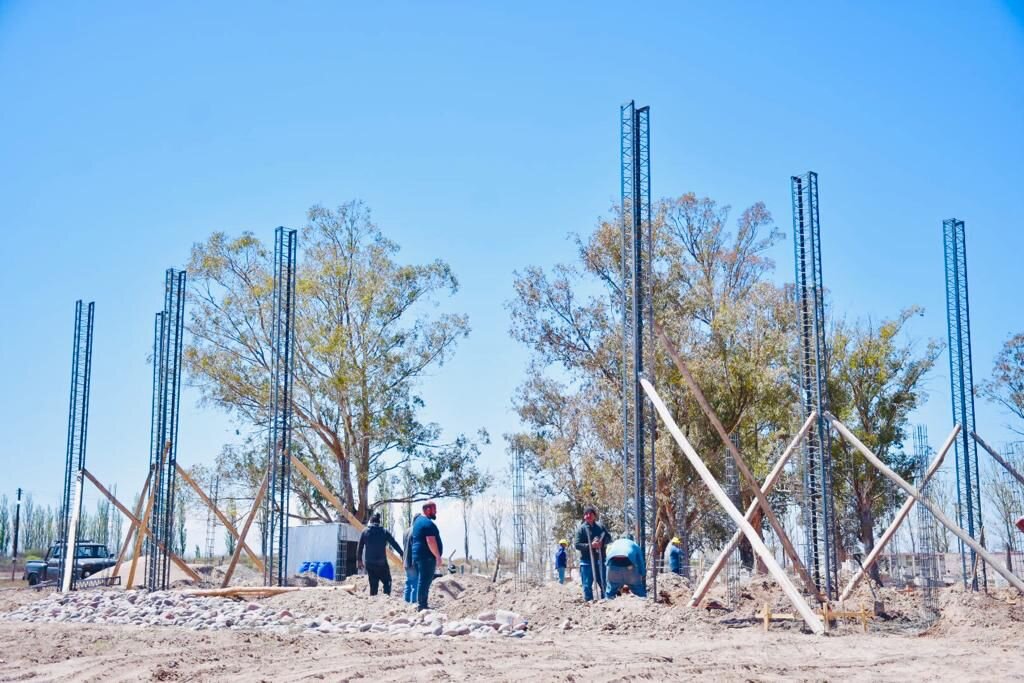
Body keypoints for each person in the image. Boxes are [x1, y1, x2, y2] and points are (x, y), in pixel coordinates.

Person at [357, 512, 404, 596]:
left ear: (371, 521)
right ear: (379, 522)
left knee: (373, 585)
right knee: (387, 581)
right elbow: (394, 543)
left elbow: (360, 547)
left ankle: (373, 598)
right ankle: (386, 596)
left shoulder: (365, 531)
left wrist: (359, 560)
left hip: (370, 563)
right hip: (381, 563)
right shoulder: (384, 531)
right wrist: (402, 553)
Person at [410, 501, 443, 611]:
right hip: (426, 557)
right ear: (428, 510)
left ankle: (421, 603)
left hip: (418, 556)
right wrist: (437, 556)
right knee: (424, 581)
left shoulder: (418, 522)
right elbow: (430, 541)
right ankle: (422, 605)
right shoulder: (427, 523)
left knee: (422, 580)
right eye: (434, 509)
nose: (436, 512)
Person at [573, 506, 611, 601]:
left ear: (594, 516)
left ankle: (606, 601)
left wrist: (602, 542)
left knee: (604, 582)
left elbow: (608, 537)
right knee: (587, 585)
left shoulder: (600, 527)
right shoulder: (581, 529)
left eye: (590, 513)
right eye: (586, 514)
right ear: (584, 516)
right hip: (587, 561)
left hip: (600, 560)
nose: (588, 515)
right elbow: (577, 545)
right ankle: (589, 602)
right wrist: (590, 545)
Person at [402, 513, 421, 604]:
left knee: (408, 582)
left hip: (406, 560)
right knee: (415, 583)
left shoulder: (406, 531)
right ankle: (413, 602)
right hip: (414, 561)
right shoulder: (417, 531)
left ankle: (406, 601)